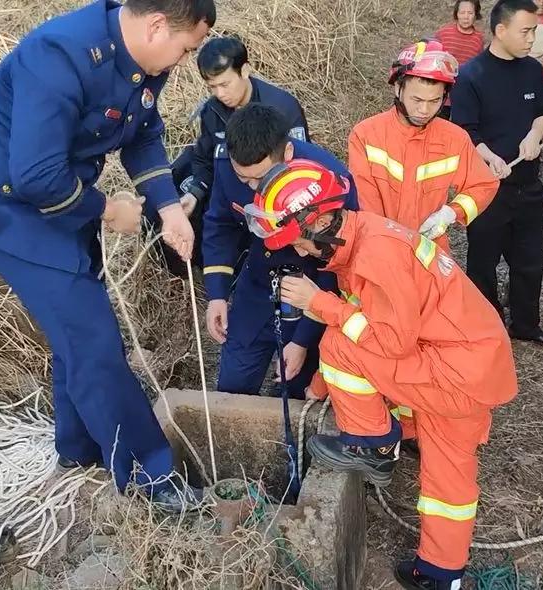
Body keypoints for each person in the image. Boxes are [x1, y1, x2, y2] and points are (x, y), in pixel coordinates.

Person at [0, 0, 215, 508]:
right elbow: (34, 175)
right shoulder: (59, 57)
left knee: (79, 329)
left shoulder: (143, 56)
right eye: (185, 49)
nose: (184, 61)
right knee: (93, 339)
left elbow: (143, 134)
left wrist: (168, 208)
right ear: (158, 26)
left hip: (65, 198)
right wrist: (109, 213)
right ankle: (150, 479)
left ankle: (81, 448)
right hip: (11, 207)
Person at [237, 159, 517, 590]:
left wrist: (319, 305)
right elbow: (377, 318)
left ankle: (375, 446)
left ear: (323, 221)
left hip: (455, 372)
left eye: (297, 241)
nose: (297, 251)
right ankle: (441, 573)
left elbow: (388, 343)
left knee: (336, 342)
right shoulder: (363, 234)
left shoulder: (376, 256)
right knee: (449, 477)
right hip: (469, 361)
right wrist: (318, 386)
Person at [202, 104, 358, 398]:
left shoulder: (330, 180)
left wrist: (302, 340)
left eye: (260, 178)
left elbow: (341, 263)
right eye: (243, 180)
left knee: (297, 393)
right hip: (258, 285)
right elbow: (220, 225)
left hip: (310, 292)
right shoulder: (227, 165)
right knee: (232, 387)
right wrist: (218, 294)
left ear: (287, 154)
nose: (254, 190)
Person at [450, 0, 543, 347]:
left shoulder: (531, 70)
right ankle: (487, 324)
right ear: (501, 30)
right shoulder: (471, 76)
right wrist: (488, 157)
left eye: (534, 31)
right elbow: (465, 130)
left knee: (530, 259)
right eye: (526, 31)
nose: (531, 38)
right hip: (488, 188)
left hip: (528, 185)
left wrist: (534, 135)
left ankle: (525, 323)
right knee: (483, 261)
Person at [164, 36, 310, 274]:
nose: (220, 94)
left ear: (245, 70)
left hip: (273, 197)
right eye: (212, 87)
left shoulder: (283, 108)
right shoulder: (212, 112)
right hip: (228, 191)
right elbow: (203, 158)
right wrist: (195, 193)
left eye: (225, 84)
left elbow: (301, 165)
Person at [347, 39, 499, 257]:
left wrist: (449, 213)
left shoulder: (454, 139)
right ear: (398, 88)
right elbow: (367, 206)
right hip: (379, 251)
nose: (424, 110)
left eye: (435, 101)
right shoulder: (366, 135)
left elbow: (484, 184)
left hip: (431, 253)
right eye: (417, 99)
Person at [433, 0, 485, 119]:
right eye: (462, 12)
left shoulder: (478, 39)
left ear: (476, 15)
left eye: (470, 13)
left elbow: (478, 68)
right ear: (456, 14)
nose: (466, 17)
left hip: (464, 96)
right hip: (441, 94)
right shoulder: (443, 34)